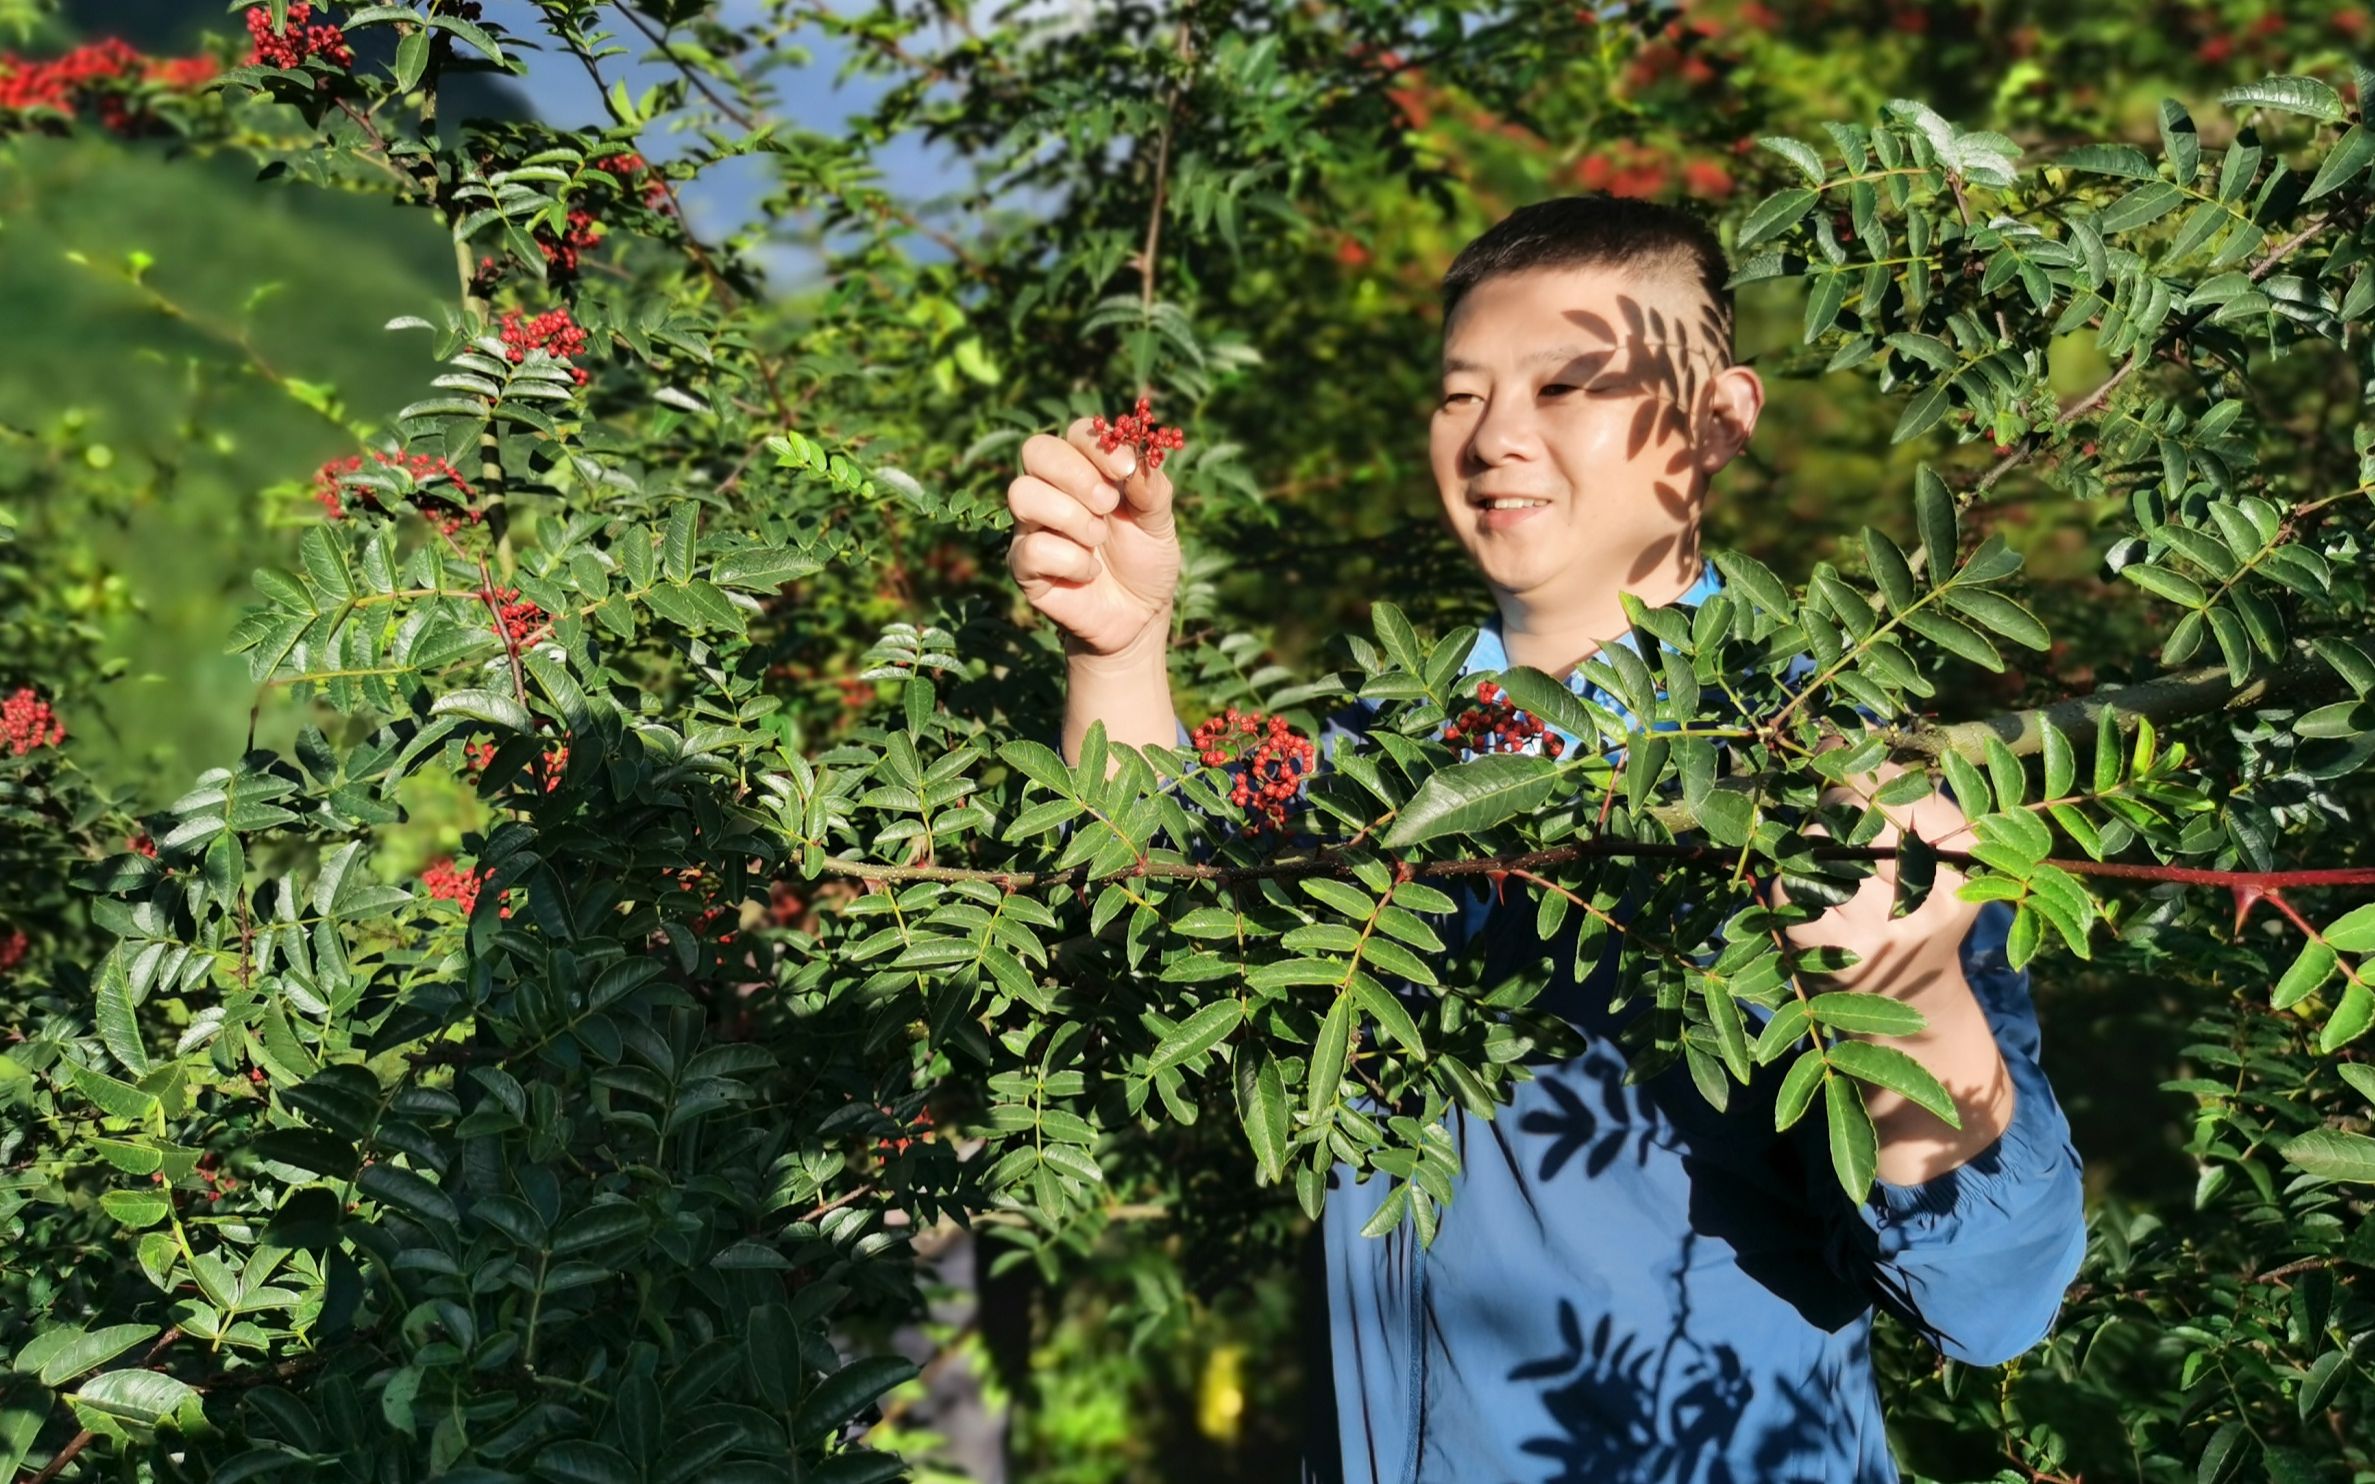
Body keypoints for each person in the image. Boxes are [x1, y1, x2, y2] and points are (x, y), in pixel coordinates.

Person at [1003, 194, 2088, 1483]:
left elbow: (1994, 1300)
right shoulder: (1376, 762)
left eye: (1570, 383)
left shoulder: (1841, 798)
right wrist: (1118, 655)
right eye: (1462, 395)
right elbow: (1153, 932)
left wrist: (1905, 991)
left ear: (1722, 417)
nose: (1497, 437)